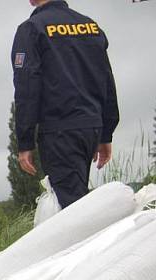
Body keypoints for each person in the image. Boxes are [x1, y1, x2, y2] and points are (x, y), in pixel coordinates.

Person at [12, 0, 119, 208]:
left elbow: (26, 86)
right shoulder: (91, 26)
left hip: (59, 130)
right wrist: (106, 132)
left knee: (71, 208)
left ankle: (95, 240)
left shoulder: (32, 29)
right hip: (91, 127)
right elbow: (107, 79)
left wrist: (25, 141)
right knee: (77, 197)